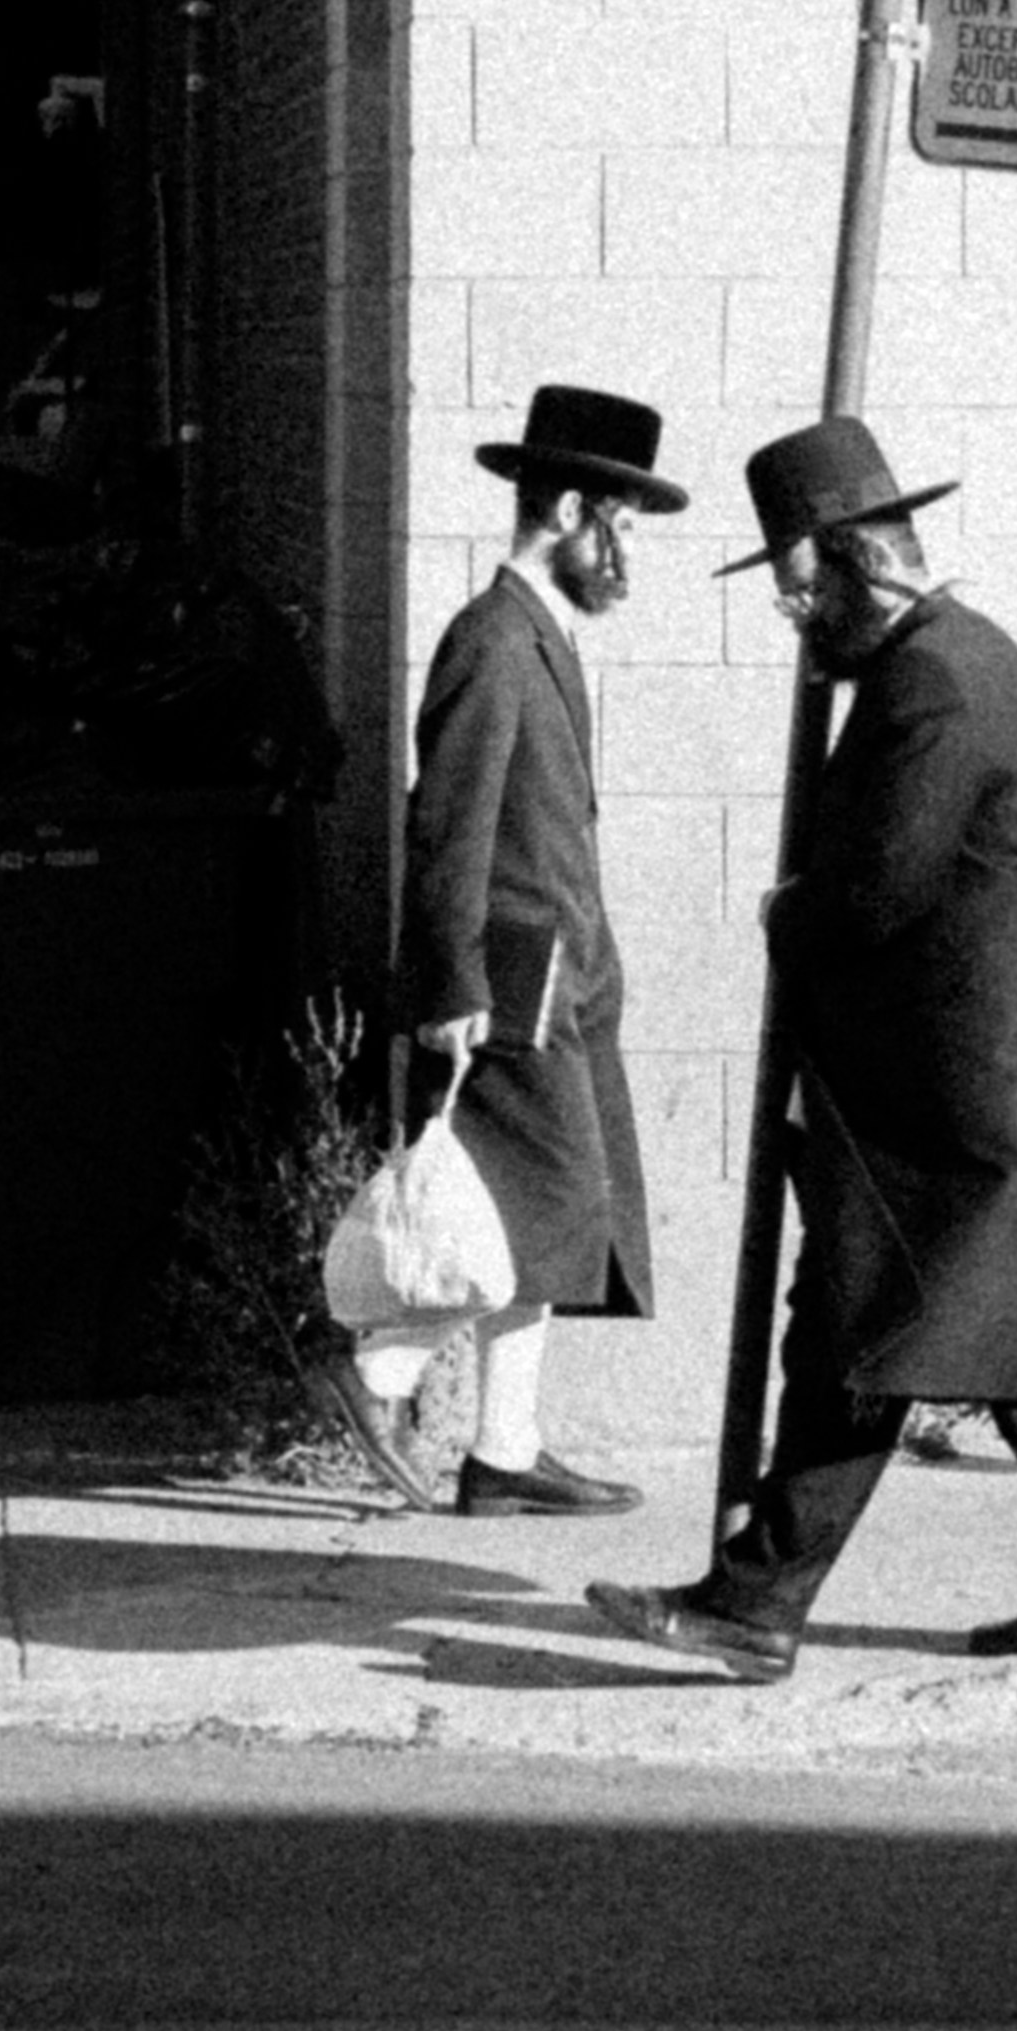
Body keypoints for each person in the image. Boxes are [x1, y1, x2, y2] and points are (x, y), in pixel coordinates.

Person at [588, 414, 1017, 1681]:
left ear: (858, 562)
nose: (797, 619)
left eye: (803, 591)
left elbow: (873, 891)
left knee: (858, 1337)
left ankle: (757, 1605)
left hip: (951, 1118)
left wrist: (782, 912)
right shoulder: (964, 662)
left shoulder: (937, 683)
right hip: (987, 1101)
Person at [311, 383, 687, 1519]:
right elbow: (447, 824)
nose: (629, 551)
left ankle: (505, 1456)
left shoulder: (541, 636)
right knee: (545, 1206)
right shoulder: (493, 639)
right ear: (567, 508)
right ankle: (372, 1373)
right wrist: (452, 986)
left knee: (554, 1213)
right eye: (619, 523)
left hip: (558, 982)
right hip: (504, 990)